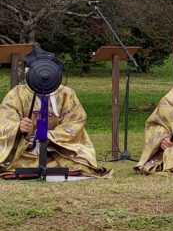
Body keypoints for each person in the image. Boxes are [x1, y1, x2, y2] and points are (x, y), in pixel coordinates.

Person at [0, 46, 110, 178]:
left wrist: (50, 136)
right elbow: (4, 119)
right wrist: (18, 127)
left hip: (57, 148)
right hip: (24, 148)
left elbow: (75, 121)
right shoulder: (17, 94)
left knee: (80, 162)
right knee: (6, 160)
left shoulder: (66, 94)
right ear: (26, 73)